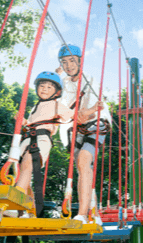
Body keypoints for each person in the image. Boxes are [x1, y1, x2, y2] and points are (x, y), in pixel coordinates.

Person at [11, 71, 103, 219]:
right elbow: (30, 124)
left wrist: (92, 110)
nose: (44, 89)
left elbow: (76, 115)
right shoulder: (35, 107)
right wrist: (22, 122)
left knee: (28, 164)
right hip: (28, 138)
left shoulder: (57, 105)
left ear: (57, 91)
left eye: (49, 87)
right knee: (23, 173)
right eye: (42, 86)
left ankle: (15, 204)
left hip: (41, 139)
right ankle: (28, 211)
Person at [56, 44, 111, 225]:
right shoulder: (63, 83)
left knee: (84, 160)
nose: (68, 65)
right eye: (64, 62)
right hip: (77, 126)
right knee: (81, 168)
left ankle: (81, 214)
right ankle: (92, 211)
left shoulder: (90, 79)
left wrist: (80, 114)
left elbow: (92, 111)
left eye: (72, 61)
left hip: (96, 122)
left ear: (80, 61)